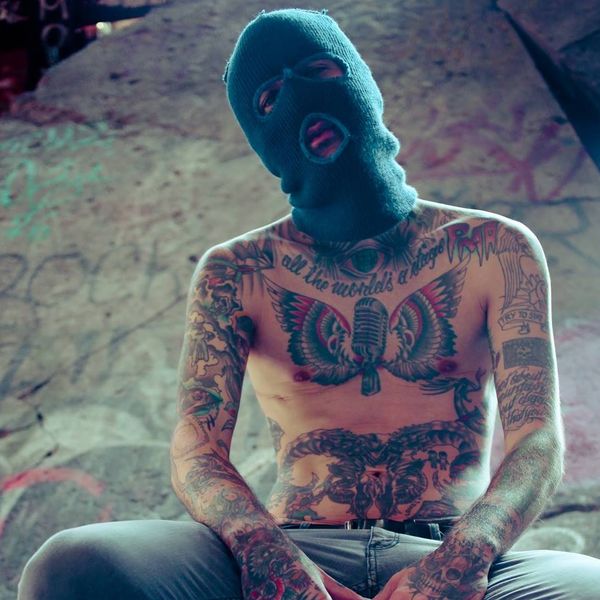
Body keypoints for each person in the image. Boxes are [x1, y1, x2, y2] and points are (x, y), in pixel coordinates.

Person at [18, 8, 600, 600]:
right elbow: (196, 447)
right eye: (270, 98)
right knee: (71, 565)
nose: (298, 99)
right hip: (294, 545)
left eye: (318, 71)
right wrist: (266, 554)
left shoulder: (492, 248)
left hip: (452, 544)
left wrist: (463, 559)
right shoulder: (237, 271)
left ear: (361, 84)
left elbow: (537, 440)